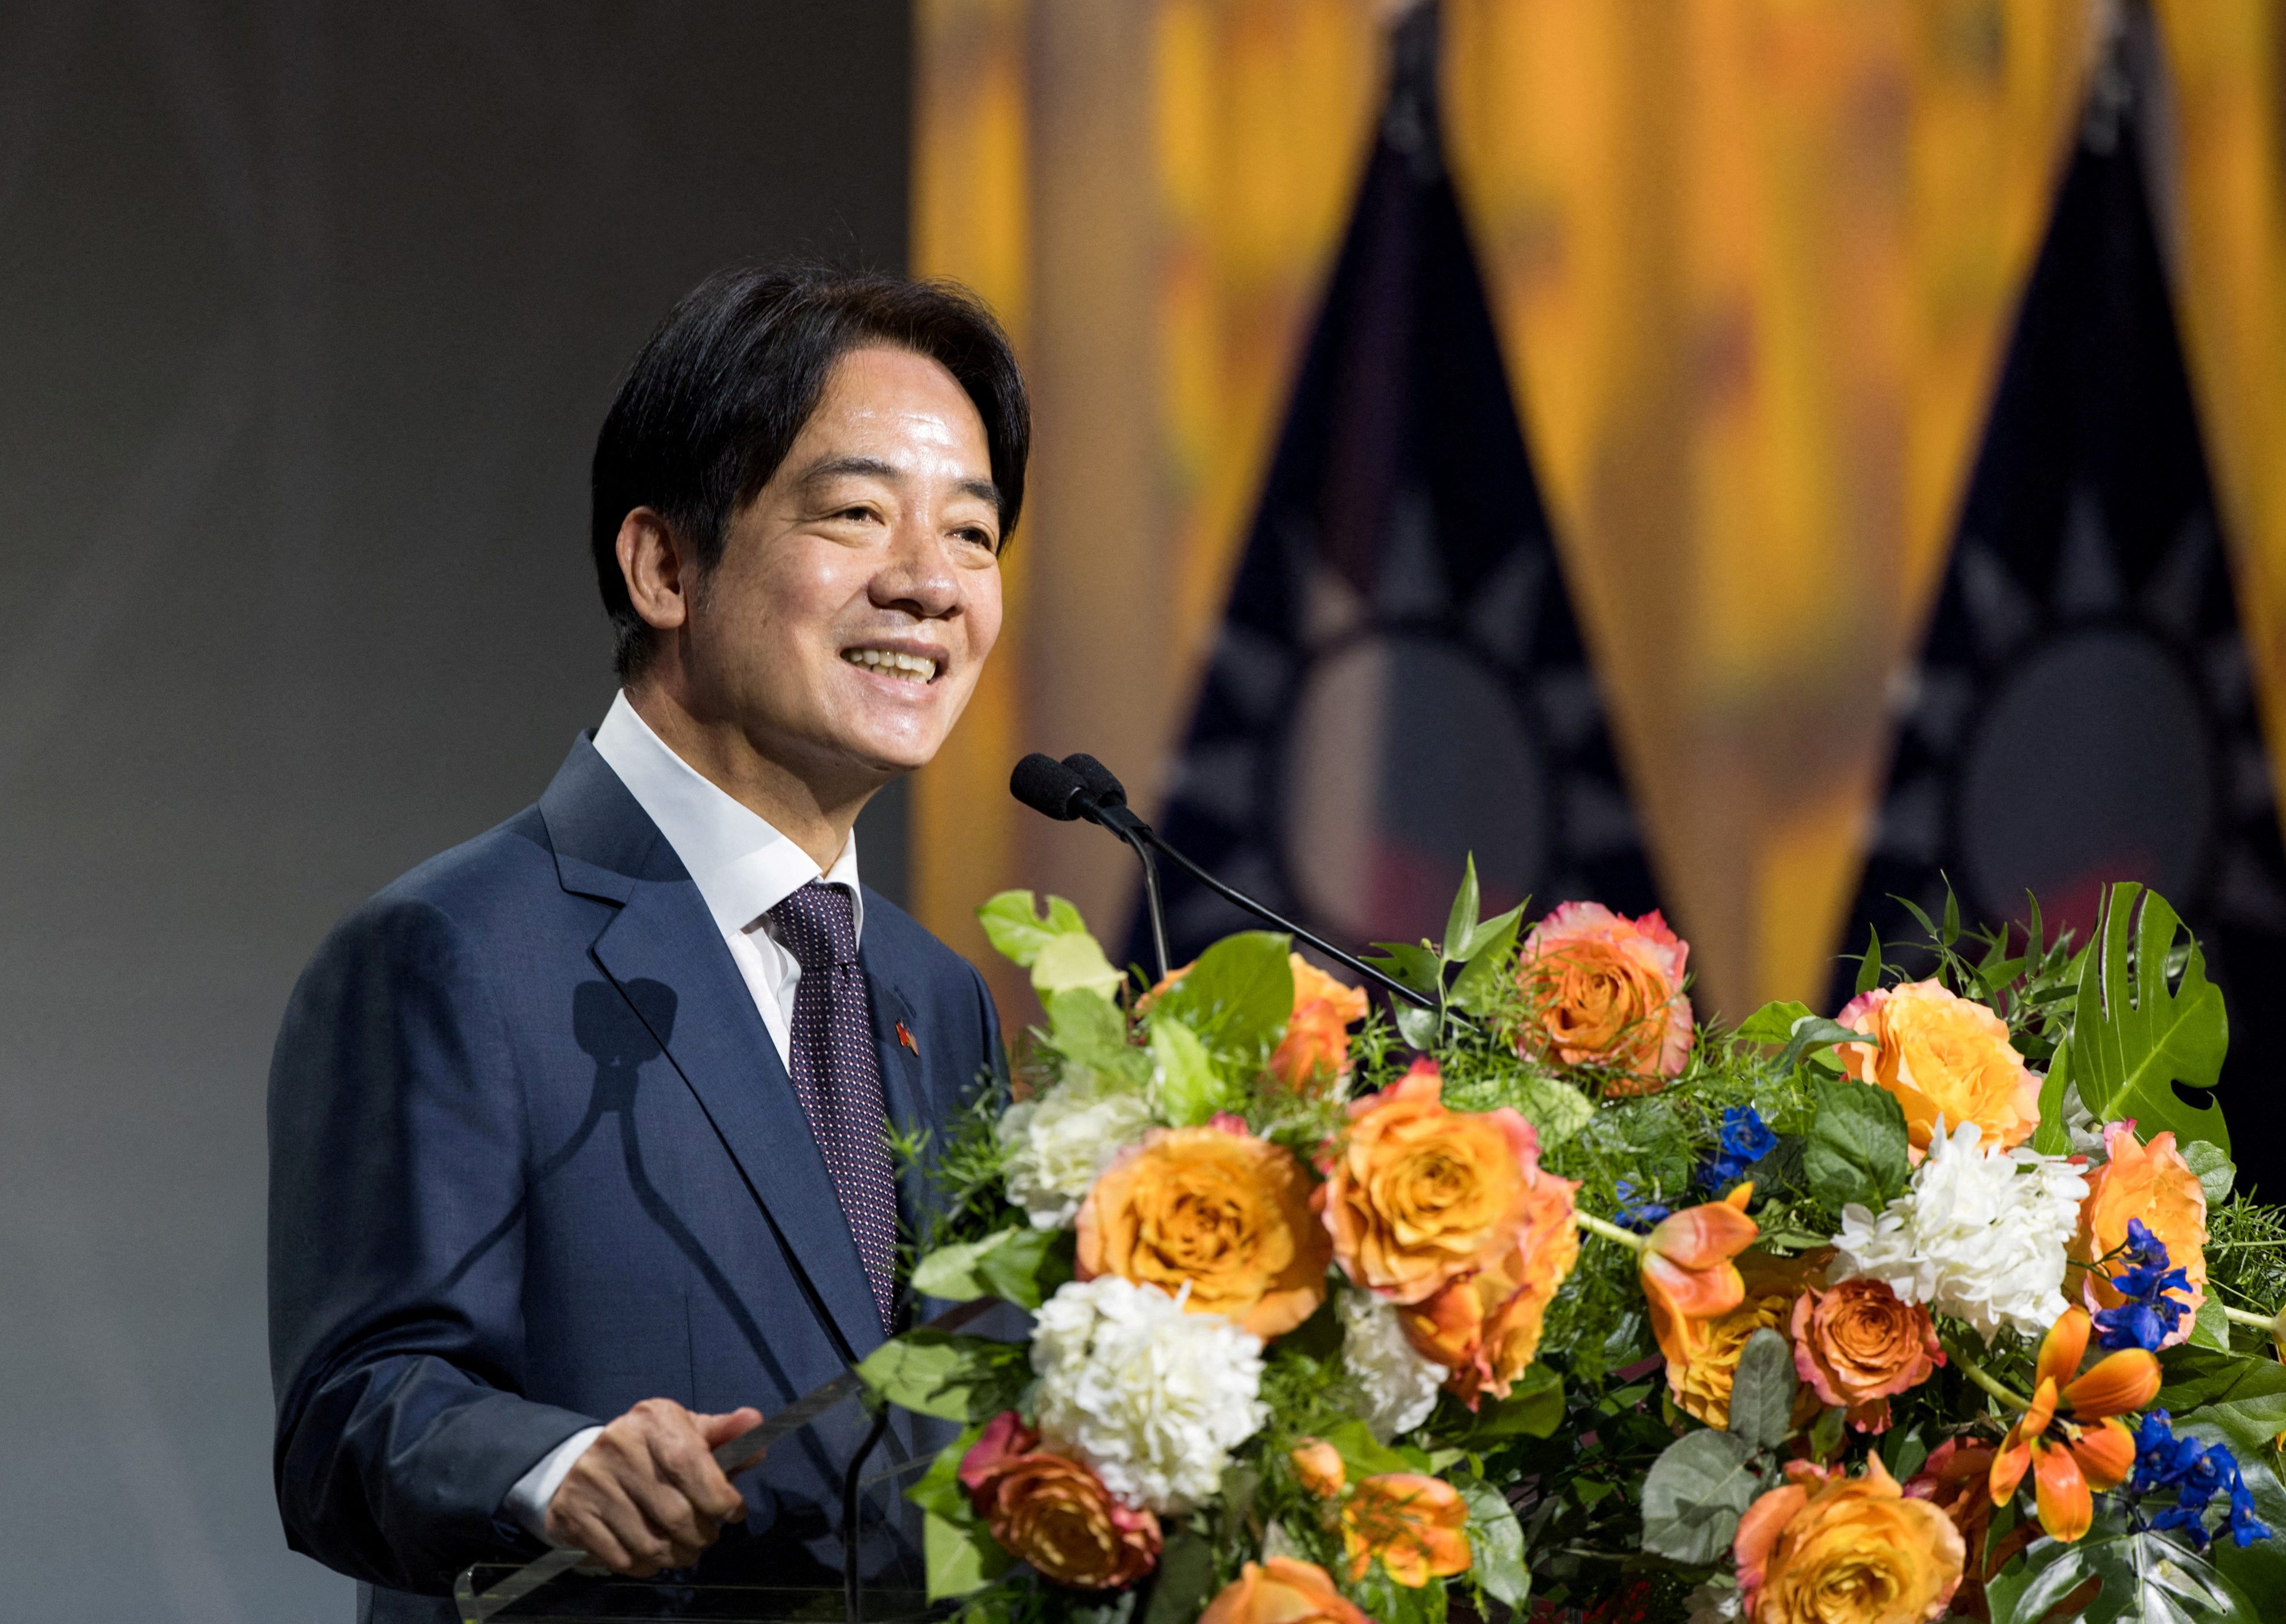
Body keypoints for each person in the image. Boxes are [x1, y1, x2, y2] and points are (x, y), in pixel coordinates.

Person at [267, 267, 1025, 1620]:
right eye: (857, 514)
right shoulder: (453, 951)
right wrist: (550, 1467)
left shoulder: (934, 994)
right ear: (665, 566)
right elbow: (352, 1412)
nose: (928, 584)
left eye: (970, 535)